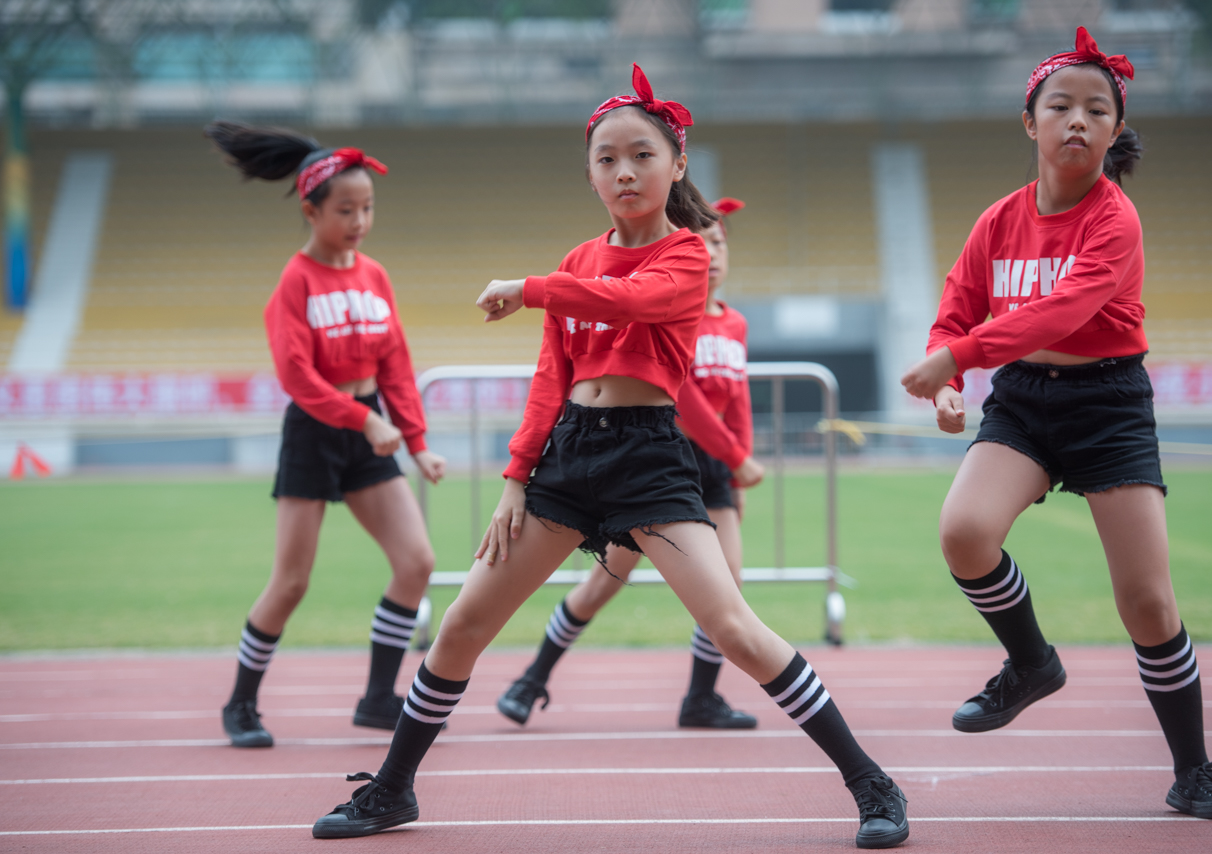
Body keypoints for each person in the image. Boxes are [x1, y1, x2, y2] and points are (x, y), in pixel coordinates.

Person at [311, 65, 910, 849]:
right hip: (567, 459)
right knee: (462, 625)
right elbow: (551, 377)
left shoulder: (689, 256)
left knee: (733, 625)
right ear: (590, 171)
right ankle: (391, 792)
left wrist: (534, 287)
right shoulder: (578, 259)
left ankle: (872, 783)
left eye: (642, 156)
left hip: (649, 460)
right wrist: (515, 480)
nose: (624, 172)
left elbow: (632, 301)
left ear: (677, 164)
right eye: (606, 159)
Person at [900, 28, 1212, 822]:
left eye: (1099, 110)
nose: (1078, 121)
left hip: (1109, 404)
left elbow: (1059, 312)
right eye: (1060, 105)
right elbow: (955, 309)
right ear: (1030, 122)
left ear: (1114, 130)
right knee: (963, 532)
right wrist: (948, 377)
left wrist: (957, 353)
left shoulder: (1114, 221)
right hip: (1024, 399)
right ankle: (1031, 665)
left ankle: (1193, 771)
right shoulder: (998, 221)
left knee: (1147, 602)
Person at [206, 122, 447, 749]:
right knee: (291, 582)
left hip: (371, 436)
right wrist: (366, 419)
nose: (360, 220)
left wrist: (417, 443)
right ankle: (240, 704)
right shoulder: (296, 283)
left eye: (367, 208)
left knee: (417, 562)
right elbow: (300, 380)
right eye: (346, 210)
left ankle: (376, 698)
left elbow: (394, 361)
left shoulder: (374, 276)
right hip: (316, 433)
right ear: (311, 211)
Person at [495, 197, 768, 731]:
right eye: (704, 242)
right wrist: (737, 454)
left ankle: (701, 697)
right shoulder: (666, 310)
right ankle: (532, 677)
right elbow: (682, 400)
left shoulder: (734, 323)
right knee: (603, 582)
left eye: (720, 244)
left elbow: (737, 401)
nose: (712, 254)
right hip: (658, 457)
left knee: (727, 589)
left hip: (710, 471)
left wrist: (738, 460)